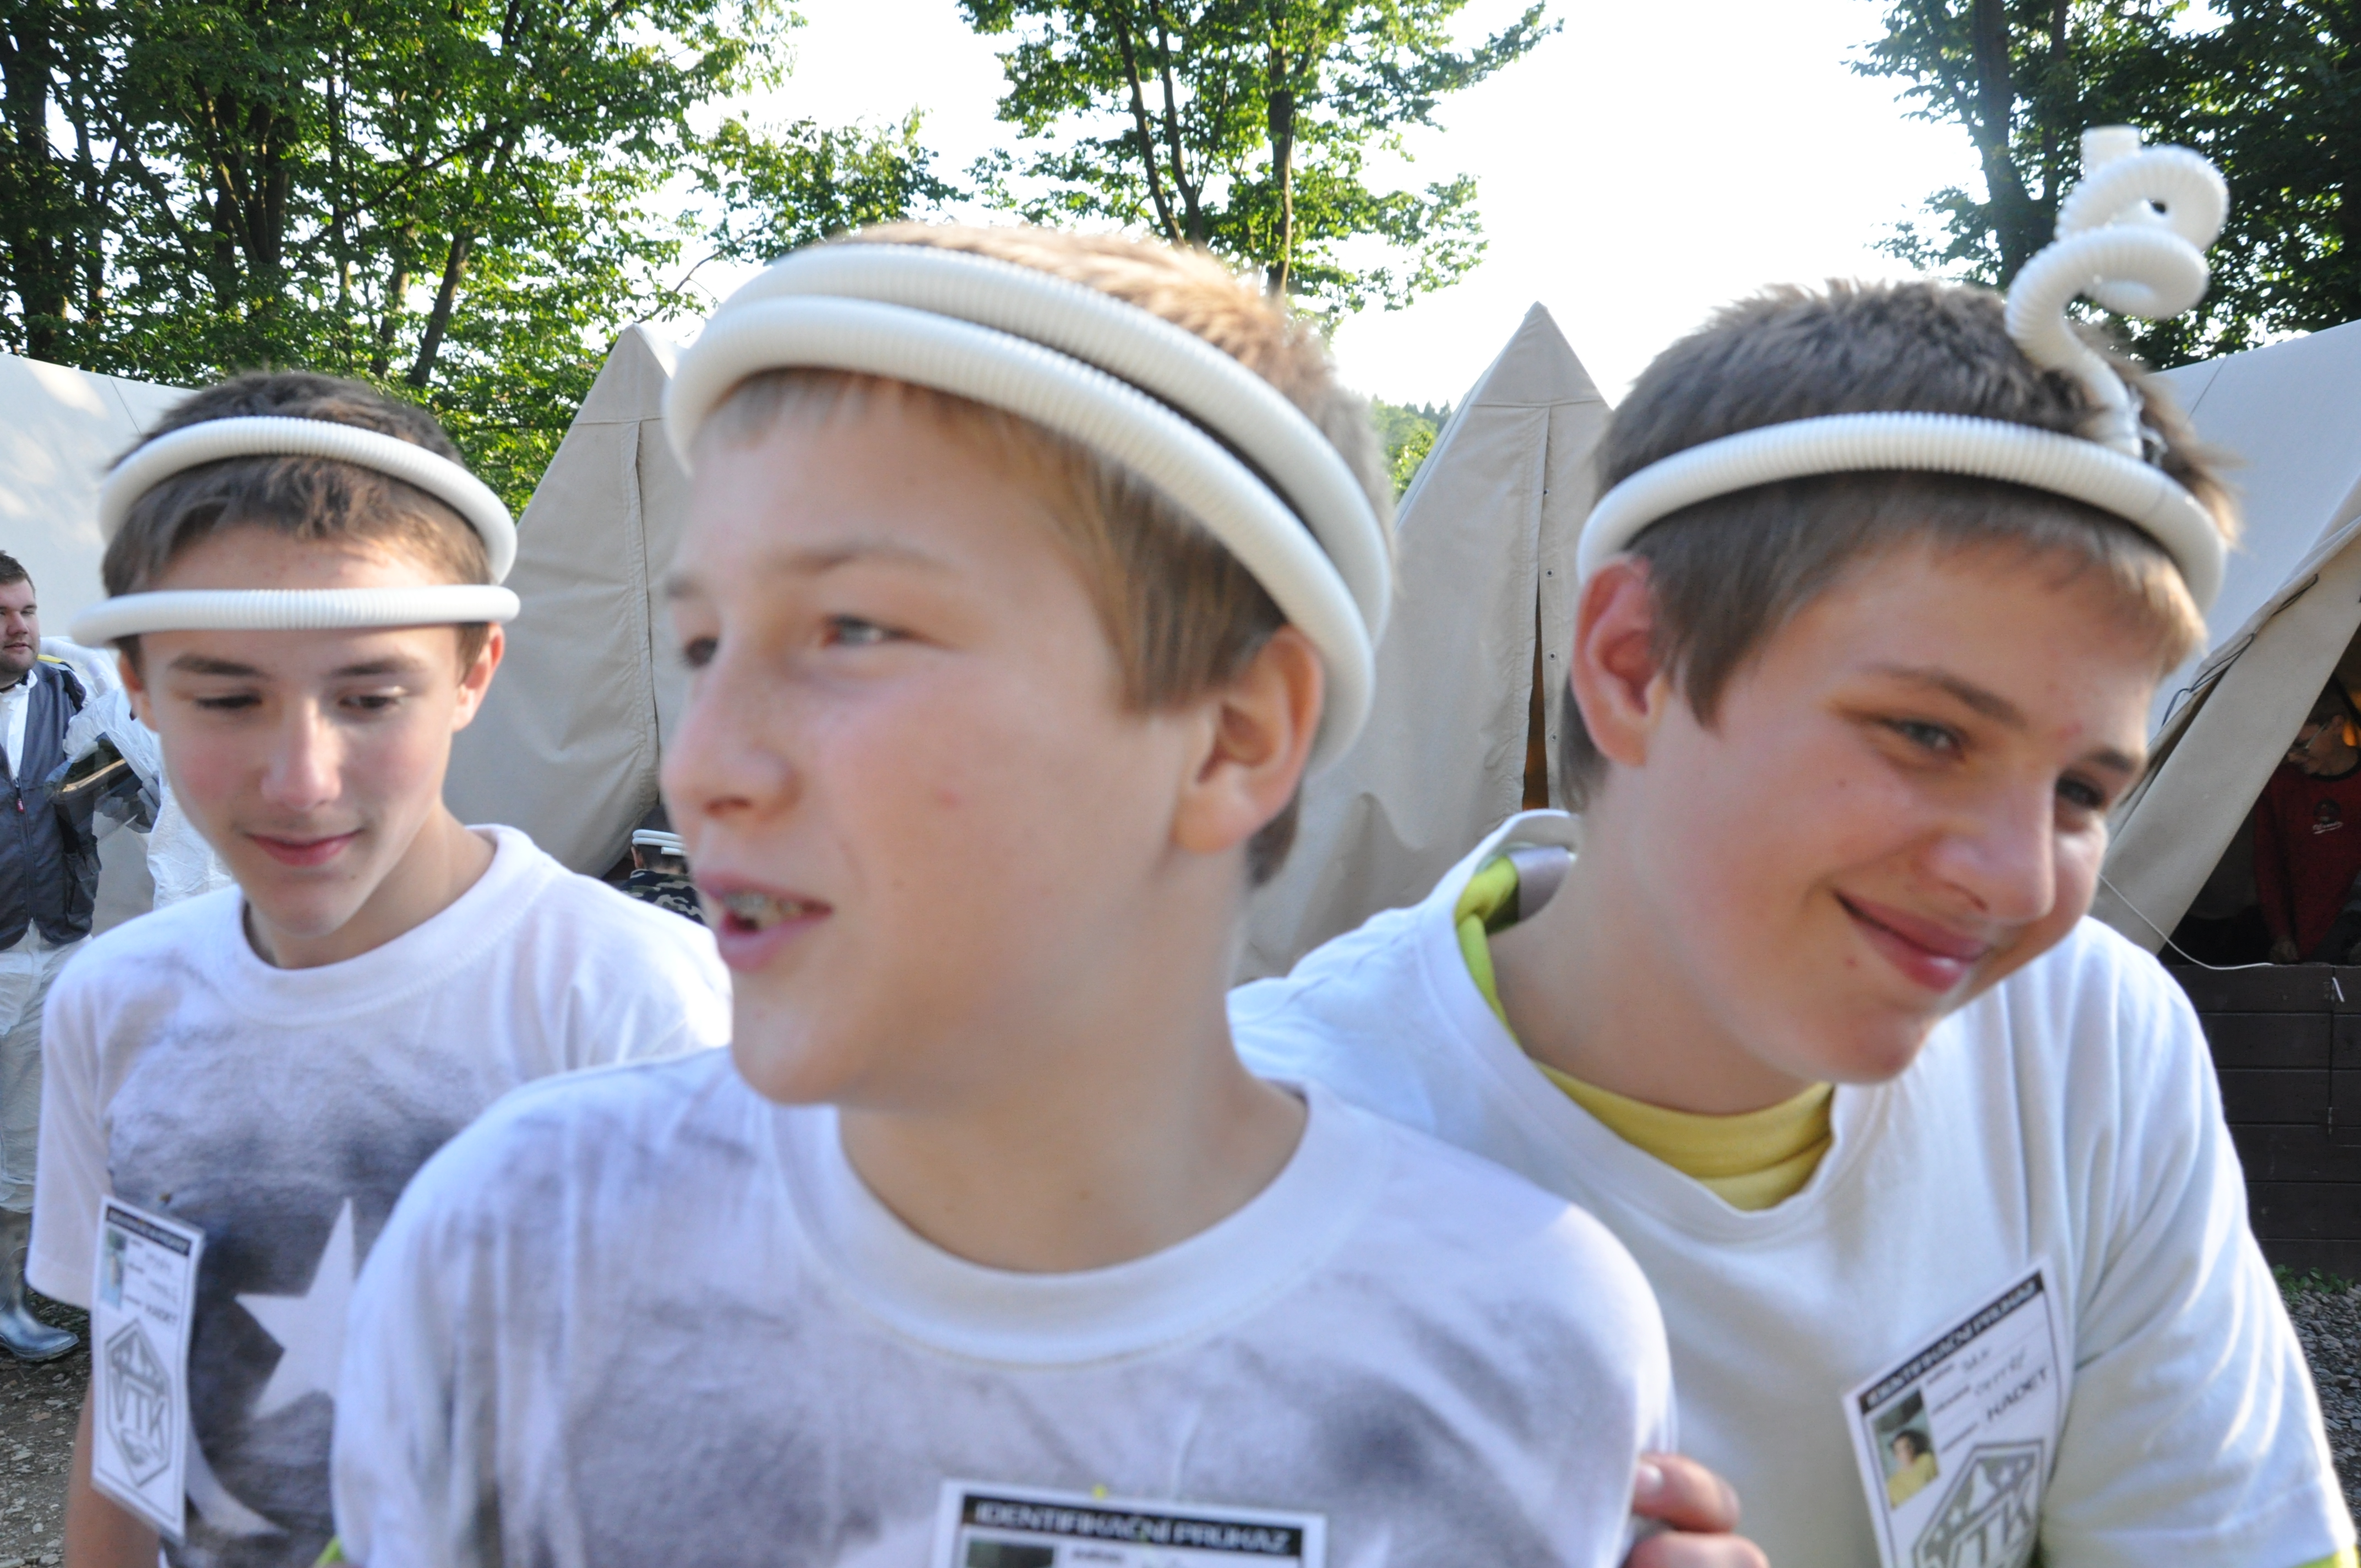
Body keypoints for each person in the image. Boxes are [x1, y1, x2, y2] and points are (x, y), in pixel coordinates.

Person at [330, 226, 1688, 1568]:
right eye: (701, 644)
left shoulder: (1517, 1348)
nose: (702, 766)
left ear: (1231, 734)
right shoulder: (525, 1246)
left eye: (855, 629)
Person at [1234, 133, 2356, 1566]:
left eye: (2082, 789)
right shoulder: (1253, 1154)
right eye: (1927, 734)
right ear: (1634, 664)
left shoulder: (2088, 1045)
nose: (2018, 880)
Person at [31, 372, 732, 1568]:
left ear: (473, 671)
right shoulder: (115, 998)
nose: (302, 778)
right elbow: (137, 1385)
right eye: (227, 696)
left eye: (369, 695)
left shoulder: (637, 1001)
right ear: (137, 687)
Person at [0, 552, 100, 1364]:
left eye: (27, 611)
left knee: (26, 1141)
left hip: (57, 945)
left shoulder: (71, 692)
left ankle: (7, 1304)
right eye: (2, 616)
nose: (20, 628)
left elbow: (139, 797)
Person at [2254, 682, 2361, 963]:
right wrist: (2281, 934)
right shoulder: (2279, 785)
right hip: (2311, 943)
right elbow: (2268, 866)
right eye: (2286, 748)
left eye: (2302, 745)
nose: (2292, 757)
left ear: (2336, 726)